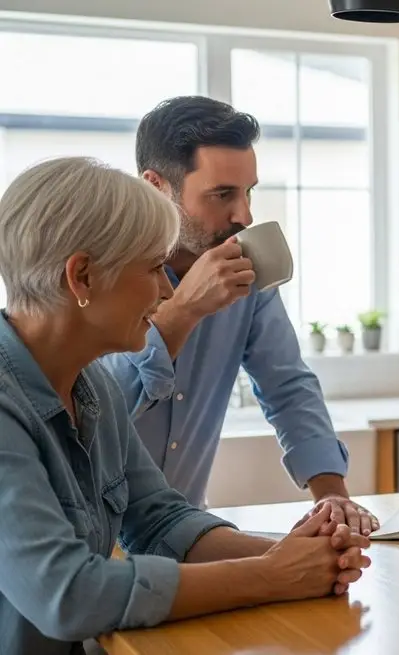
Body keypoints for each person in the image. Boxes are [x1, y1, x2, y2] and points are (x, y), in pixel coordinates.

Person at [0, 157, 372, 655]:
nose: (167, 289)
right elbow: (69, 594)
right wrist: (270, 575)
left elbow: (160, 519)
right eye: (154, 267)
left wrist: (301, 555)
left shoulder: (92, 384)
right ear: (82, 277)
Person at [98, 96, 377, 534]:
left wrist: (333, 496)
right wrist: (184, 310)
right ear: (156, 187)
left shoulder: (246, 274)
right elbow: (91, 412)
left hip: (184, 534)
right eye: (222, 194)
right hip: (91, 542)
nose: (244, 215)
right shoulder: (99, 274)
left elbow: (287, 387)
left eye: (248, 192)